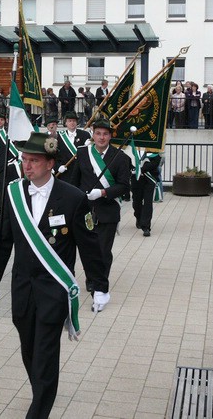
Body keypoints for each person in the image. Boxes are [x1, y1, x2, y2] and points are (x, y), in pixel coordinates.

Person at [0, 131, 108, 419]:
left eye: (34, 160)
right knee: (29, 350)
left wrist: (100, 285)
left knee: (46, 354)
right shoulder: (14, 194)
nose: (26, 166)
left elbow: (90, 246)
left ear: (50, 163)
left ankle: (39, 409)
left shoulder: (73, 198)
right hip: (23, 288)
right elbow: (1, 241)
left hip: (53, 291)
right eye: (24, 159)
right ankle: (42, 389)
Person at [71, 118, 131, 300]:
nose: (101, 137)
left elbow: (124, 186)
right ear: (93, 134)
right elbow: (74, 181)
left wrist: (104, 192)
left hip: (108, 211)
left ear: (111, 136)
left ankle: (100, 284)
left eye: (105, 134)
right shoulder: (83, 153)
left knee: (103, 251)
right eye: (98, 133)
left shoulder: (121, 157)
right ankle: (91, 278)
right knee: (88, 249)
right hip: (85, 210)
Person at [131, 149, 162, 236]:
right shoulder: (133, 147)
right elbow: (127, 160)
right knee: (136, 202)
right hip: (136, 178)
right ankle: (138, 217)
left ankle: (146, 227)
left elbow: (156, 161)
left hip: (150, 178)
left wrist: (142, 169)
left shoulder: (152, 147)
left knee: (148, 202)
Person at [55, 111, 91, 184]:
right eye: (69, 121)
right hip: (65, 171)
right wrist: (58, 167)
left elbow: (89, 154)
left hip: (80, 171)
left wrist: (88, 146)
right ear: (65, 123)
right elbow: (55, 155)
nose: (72, 123)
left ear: (77, 122)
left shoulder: (85, 135)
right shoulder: (59, 136)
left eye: (74, 121)